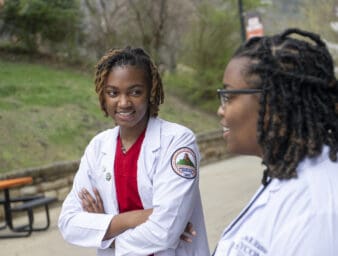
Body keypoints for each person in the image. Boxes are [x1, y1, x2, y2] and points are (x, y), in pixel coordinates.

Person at [58, 46, 210, 256]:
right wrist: (134, 218)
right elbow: (68, 222)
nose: (123, 102)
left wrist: (104, 231)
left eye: (135, 92)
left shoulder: (178, 142)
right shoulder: (97, 147)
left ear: (151, 92)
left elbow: (164, 231)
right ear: (103, 95)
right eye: (113, 93)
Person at [213, 28, 338, 255]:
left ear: (271, 103)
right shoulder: (284, 173)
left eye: (228, 96)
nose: (221, 110)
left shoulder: (316, 210)